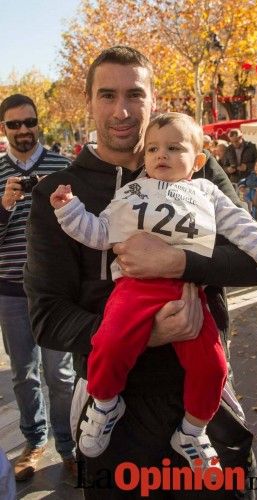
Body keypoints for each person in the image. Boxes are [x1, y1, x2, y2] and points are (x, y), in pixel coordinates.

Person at [23, 46, 257, 499]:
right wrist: (142, 332)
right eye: (108, 95)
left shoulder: (197, 171)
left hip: (203, 401)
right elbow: (47, 317)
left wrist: (179, 263)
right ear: (89, 101)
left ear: (153, 99)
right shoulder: (59, 196)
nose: (122, 110)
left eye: (135, 94)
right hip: (113, 414)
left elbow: (256, 259)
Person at [0, 94, 76, 481]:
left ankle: (68, 445)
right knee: (23, 374)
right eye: (14, 124)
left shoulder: (63, 166)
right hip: (11, 290)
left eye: (28, 121)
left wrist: (59, 201)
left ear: (37, 122)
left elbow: (82, 230)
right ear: (4, 128)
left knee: (60, 375)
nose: (23, 130)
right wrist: (4, 206)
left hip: (55, 291)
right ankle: (34, 441)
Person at [238, 157, 257, 226]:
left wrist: (249, 184)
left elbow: (255, 183)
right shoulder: (253, 174)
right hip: (251, 202)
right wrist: (242, 185)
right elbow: (245, 180)